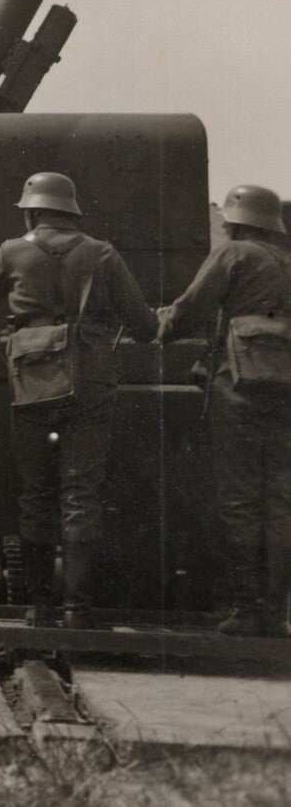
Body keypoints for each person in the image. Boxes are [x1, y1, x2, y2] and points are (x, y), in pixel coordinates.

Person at [0, 172, 158, 628]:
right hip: (91, 379)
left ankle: (39, 607)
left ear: (32, 211)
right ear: (71, 210)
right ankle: (78, 609)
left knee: (35, 494)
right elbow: (142, 324)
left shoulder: (11, 251)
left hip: (33, 380)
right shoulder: (102, 253)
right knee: (81, 493)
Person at [158, 184, 291, 637]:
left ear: (236, 220)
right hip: (287, 391)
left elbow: (189, 310)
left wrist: (157, 326)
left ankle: (247, 609)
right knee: (280, 501)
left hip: (238, 387)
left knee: (240, 500)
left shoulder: (233, 254)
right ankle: (277, 613)